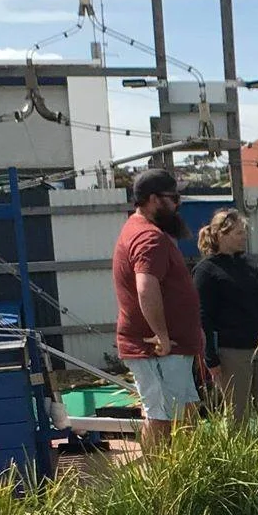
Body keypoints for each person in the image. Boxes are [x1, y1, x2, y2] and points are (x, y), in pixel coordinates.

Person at [111, 167, 204, 447]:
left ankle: (184, 478)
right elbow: (145, 286)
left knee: (184, 416)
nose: (177, 205)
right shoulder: (149, 237)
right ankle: (159, 481)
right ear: (153, 199)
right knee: (162, 419)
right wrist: (162, 336)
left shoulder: (139, 230)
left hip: (170, 348)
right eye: (173, 198)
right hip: (159, 348)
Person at [193, 209, 258, 423]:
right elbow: (203, 316)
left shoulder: (251, 264)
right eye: (238, 233)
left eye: (244, 232)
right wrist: (211, 356)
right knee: (237, 411)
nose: (244, 236)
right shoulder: (206, 271)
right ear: (221, 235)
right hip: (232, 351)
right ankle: (240, 456)